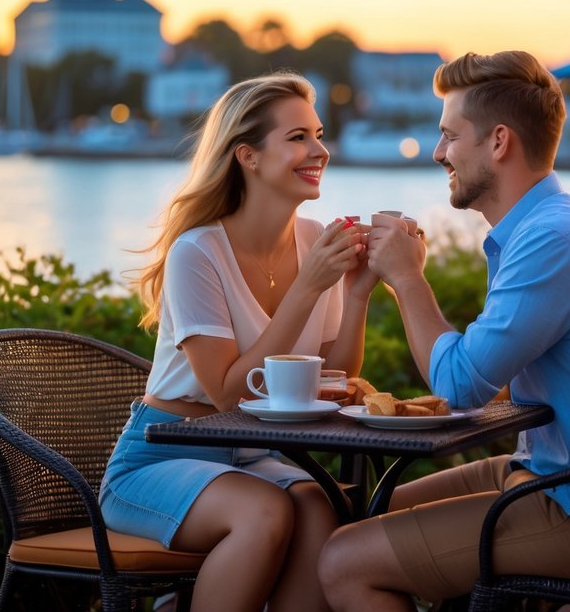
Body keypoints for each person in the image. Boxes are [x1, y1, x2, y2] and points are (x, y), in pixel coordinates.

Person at [317, 50, 570, 611]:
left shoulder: (550, 240)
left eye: (449, 136)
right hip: (561, 474)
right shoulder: (545, 227)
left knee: (343, 562)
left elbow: (460, 385)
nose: (438, 153)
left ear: (500, 142)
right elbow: (494, 378)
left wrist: (408, 279)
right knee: (357, 517)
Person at [100, 72, 377, 612]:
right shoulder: (197, 253)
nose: (319, 149)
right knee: (265, 512)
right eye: (297, 137)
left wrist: (357, 291)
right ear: (247, 156)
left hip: (254, 455)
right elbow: (229, 396)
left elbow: (333, 377)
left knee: (320, 509)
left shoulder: (315, 242)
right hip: (161, 456)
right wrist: (310, 285)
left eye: (317, 134)